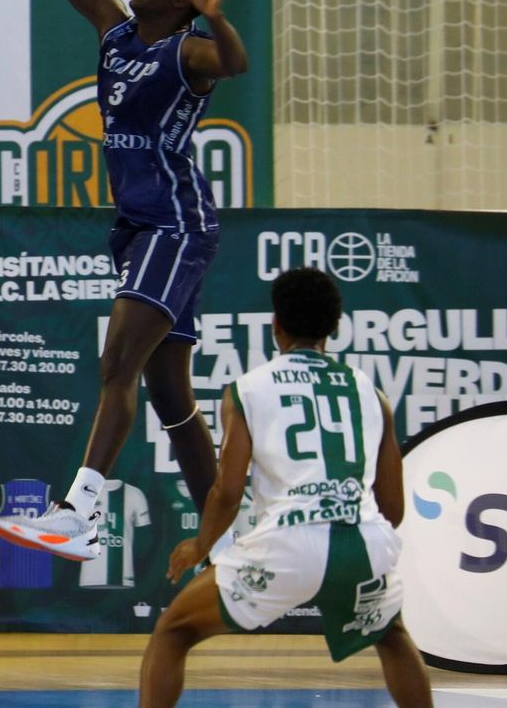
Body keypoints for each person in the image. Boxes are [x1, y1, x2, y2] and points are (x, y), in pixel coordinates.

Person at [0, 0, 250, 559]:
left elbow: (237, 63)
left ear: (184, 1)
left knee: (116, 360)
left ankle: (81, 511)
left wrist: (216, 15)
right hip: (140, 225)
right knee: (171, 395)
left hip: (175, 223)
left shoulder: (187, 52)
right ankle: (231, 537)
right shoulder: (114, 28)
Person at [137, 268, 434, 708]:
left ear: (276, 325)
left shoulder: (248, 390)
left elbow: (227, 491)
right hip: (363, 541)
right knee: (392, 636)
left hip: (288, 542)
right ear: (335, 326)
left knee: (174, 632)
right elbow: (393, 507)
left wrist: (201, 546)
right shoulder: (373, 394)